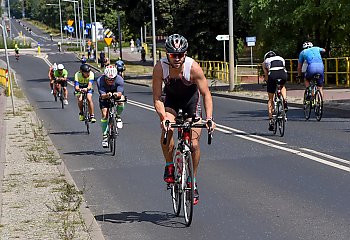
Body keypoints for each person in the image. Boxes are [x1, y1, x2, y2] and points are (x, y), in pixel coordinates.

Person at [152, 33, 216, 205]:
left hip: (191, 103)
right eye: (174, 55)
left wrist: (209, 118)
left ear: (185, 54)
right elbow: (157, 97)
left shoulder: (193, 68)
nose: (177, 59)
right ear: (167, 54)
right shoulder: (160, 68)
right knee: (168, 129)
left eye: (181, 55)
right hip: (171, 101)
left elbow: (206, 94)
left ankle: (192, 181)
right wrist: (163, 116)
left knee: (194, 144)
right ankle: (169, 165)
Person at [96, 65, 125, 148]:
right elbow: (102, 95)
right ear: (105, 77)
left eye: (113, 79)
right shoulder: (100, 81)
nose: (111, 81)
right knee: (105, 115)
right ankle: (104, 136)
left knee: (121, 101)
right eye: (109, 79)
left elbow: (120, 93)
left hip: (116, 92)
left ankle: (118, 116)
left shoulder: (119, 80)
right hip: (105, 94)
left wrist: (116, 94)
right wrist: (107, 95)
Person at [262, 51, 288, 131]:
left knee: (270, 99)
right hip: (283, 74)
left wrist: (267, 81)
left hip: (273, 75)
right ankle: (284, 100)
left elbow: (266, 74)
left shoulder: (265, 62)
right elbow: (283, 68)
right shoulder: (281, 58)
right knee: (282, 86)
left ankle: (271, 121)